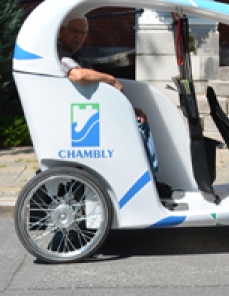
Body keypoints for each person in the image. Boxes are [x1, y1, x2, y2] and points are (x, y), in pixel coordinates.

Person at [57, 14, 169, 195]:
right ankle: (150, 184)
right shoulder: (60, 53)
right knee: (137, 128)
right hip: (80, 116)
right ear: (62, 31)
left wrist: (129, 108)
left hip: (91, 111)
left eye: (83, 33)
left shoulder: (76, 55)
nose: (79, 37)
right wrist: (110, 79)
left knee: (139, 120)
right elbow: (77, 75)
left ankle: (150, 179)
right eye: (75, 32)